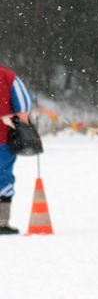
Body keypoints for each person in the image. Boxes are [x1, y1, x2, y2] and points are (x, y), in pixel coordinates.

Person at [0, 63, 34, 235]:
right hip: (3, 138)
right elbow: (24, 105)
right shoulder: (7, 76)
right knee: (3, 176)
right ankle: (2, 221)